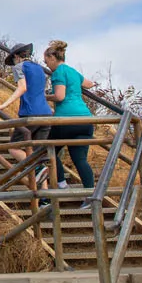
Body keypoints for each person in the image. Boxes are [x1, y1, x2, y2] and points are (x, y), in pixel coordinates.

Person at [43, 40, 97, 203]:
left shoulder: (58, 72)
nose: (46, 64)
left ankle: (61, 183)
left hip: (66, 120)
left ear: (52, 57)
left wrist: (44, 96)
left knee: (47, 148)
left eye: (46, 61)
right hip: (85, 120)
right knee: (80, 159)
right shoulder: (73, 72)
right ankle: (91, 198)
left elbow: (60, 96)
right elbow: (89, 83)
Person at [0, 43, 53, 166]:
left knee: (14, 148)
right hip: (46, 114)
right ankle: (43, 184)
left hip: (30, 113)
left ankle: (37, 169)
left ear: (17, 56)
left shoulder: (19, 67)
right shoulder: (39, 68)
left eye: (13, 59)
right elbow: (38, 91)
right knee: (37, 152)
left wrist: (3, 105)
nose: (13, 62)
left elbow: (22, 88)